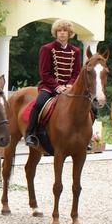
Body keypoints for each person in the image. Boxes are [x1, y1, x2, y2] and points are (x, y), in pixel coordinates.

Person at [25, 18, 83, 147]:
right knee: (39, 104)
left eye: (65, 31)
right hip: (49, 87)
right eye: (59, 30)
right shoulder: (47, 49)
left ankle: (84, 137)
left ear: (69, 33)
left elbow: (76, 73)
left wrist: (70, 84)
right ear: (56, 33)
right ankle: (30, 134)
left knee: (86, 105)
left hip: (69, 88)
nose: (62, 33)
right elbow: (44, 73)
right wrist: (57, 87)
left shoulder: (76, 51)